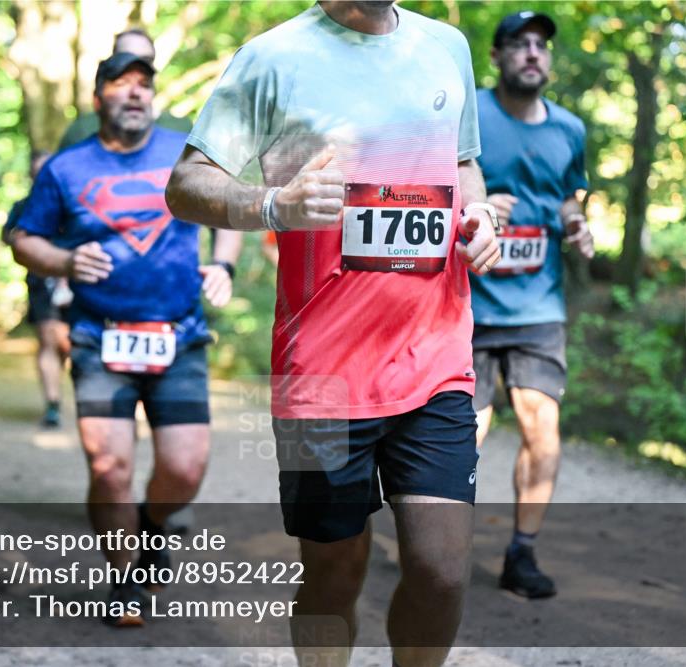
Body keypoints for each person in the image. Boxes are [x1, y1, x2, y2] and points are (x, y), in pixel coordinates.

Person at [166, 3, 501, 665]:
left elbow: (463, 166)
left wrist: (481, 213)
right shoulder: (275, 57)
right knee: (333, 573)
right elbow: (186, 184)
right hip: (321, 374)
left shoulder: (447, 47)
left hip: (434, 357)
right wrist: (270, 204)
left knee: (441, 570)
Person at [11, 51, 242, 626]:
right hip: (98, 337)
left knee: (185, 470)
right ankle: (125, 578)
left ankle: (152, 525)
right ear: (98, 100)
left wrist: (225, 267)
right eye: (121, 84)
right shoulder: (65, 169)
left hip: (180, 334)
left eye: (145, 84)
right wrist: (63, 260)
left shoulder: (183, 151)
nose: (136, 93)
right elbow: (23, 238)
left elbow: (230, 207)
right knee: (109, 465)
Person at [468, 11, 595, 599]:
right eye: (518, 44)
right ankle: (439, 546)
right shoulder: (469, 114)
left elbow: (569, 199)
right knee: (464, 433)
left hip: (537, 306)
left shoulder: (570, 129)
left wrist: (577, 225)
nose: (531, 53)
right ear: (496, 57)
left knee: (542, 426)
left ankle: (521, 554)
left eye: (540, 45)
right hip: (465, 301)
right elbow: (434, 185)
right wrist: (474, 206)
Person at [3, 149, 71, 428]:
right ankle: (53, 402)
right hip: (41, 281)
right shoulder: (23, 206)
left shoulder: (73, 201)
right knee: (48, 337)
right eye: (37, 170)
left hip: (78, 280)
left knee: (67, 343)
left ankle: (63, 384)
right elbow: (8, 237)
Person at [57, 28, 191, 150]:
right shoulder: (81, 131)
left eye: (146, 60)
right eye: (126, 58)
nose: (136, 68)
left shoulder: (181, 129)